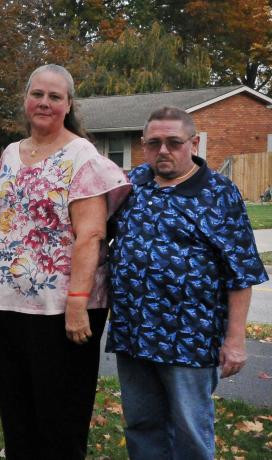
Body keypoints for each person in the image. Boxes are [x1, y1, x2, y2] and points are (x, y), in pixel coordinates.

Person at [0, 64, 130, 459]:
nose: (44, 103)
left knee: (59, 420)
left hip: (62, 310)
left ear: (68, 105)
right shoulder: (10, 154)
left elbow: (92, 233)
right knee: (17, 414)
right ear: (26, 100)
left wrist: (77, 301)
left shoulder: (82, 157)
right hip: (6, 305)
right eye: (37, 94)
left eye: (54, 96)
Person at [106, 106, 268, 459]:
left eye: (173, 142)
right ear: (143, 145)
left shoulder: (220, 194)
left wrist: (236, 340)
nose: (163, 150)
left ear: (193, 143)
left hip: (190, 339)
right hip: (134, 334)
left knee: (190, 430)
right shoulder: (133, 185)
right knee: (141, 426)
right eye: (154, 143)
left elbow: (241, 272)